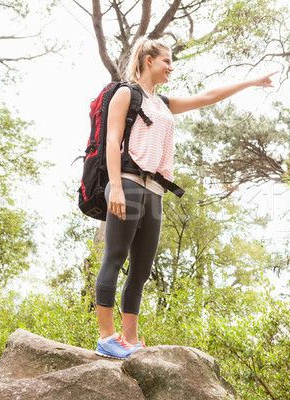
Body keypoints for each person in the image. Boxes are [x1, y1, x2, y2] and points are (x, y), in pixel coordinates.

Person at [94, 37, 277, 359]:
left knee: (142, 269)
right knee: (115, 256)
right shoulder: (126, 93)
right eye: (166, 60)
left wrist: (251, 81)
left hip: (155, 190)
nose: (171, 66)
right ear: (149, 59)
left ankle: (130, 340)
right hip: (127, 182)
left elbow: (208, 97)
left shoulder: (162, 102)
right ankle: (106, 337)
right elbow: (111, 141)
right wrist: (116, 187)